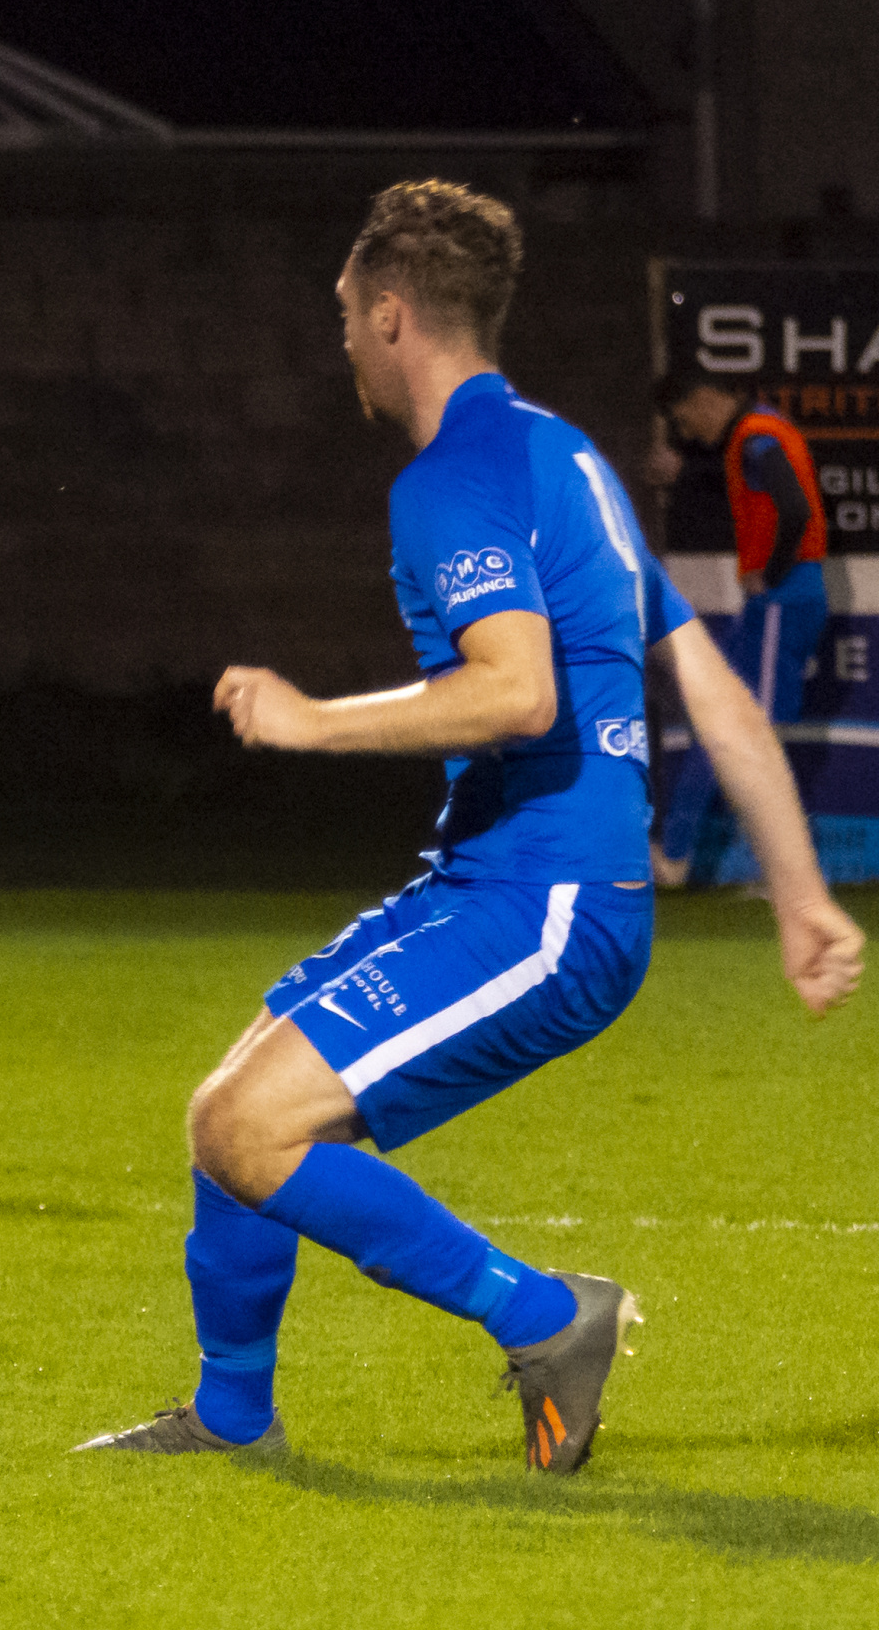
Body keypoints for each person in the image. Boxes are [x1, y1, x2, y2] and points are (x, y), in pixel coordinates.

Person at [78, 181, 863, 1472]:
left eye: (345, 312)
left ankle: (546, 1317)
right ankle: (232, 1419)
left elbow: (517, 691)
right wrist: (800, 890)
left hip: (548, 903)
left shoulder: (450, 478)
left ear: (393, 314)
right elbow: (712, 688)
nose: (341, 338)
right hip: (503, 882)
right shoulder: (568, 458)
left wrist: (310, 721)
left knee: (252, 1128)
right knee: (227, 1116)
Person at [650, 375, 829, 885]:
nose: (689, 432)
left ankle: (784, 871)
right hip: (779, 599)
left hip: (781, 598)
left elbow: (794, 507)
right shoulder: (763, 429)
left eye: (684, 420)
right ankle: (675, 853)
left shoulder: (756, 436)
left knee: (751, 733)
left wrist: (770, 573)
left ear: (705, 398)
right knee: (726, 721)